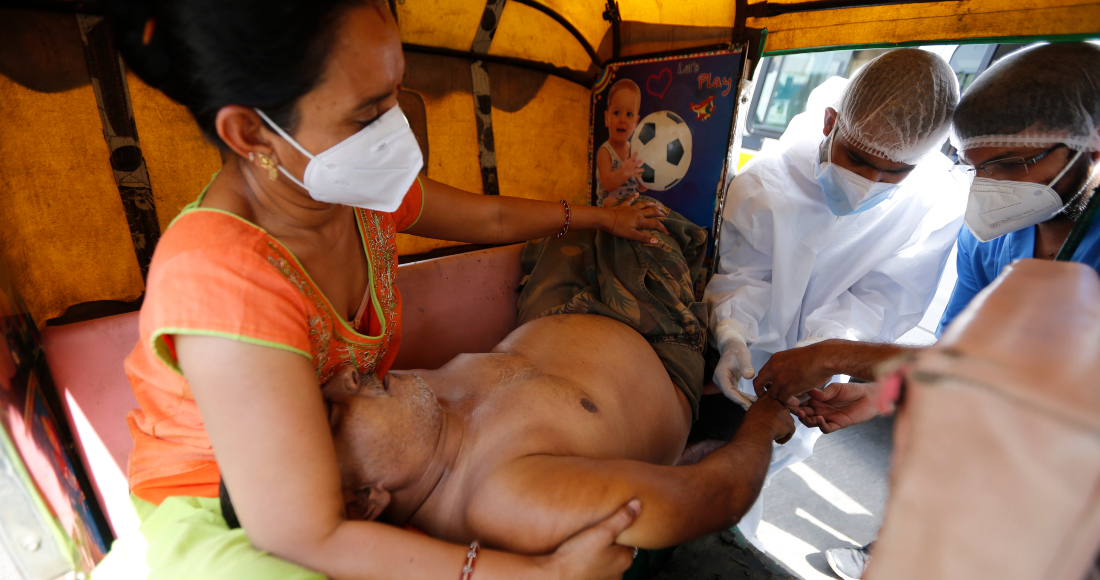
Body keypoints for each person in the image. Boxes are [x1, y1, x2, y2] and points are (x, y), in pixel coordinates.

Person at [95, 1, 672, 579]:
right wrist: (543, 576)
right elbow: (303, 532)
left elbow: (491, 219)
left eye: (396, 93)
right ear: (250, 132)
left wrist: (599, 219)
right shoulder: (219, 275)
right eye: (368, 112)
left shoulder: (357, 192)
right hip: (223, 511)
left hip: (341, 481)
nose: (396, 128)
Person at [754, 42, 1100, 580]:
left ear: (1090, 147)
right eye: (978, 167)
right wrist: (878, 393)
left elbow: (1043, 389)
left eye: (1011, 164)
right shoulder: (991, 242)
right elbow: (951, 359)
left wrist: (835, 354)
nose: (992, 189)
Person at [317, 203, 795, 555]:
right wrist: (763, 423)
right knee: (656, 225)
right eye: (334, 414)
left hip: (547, 312)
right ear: (366, 500)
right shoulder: (506, 496)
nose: (344, 380)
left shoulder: (407, 407)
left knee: (596, 218)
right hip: (655, 343)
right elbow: (715, 499)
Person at [703, 48, 967, 546]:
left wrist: (822, 355)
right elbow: (745, 274)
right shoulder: (768, 180)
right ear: (830, 122)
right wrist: (733, 332)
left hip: (816, 381)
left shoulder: (930, 210)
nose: (871, 184)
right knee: (711, 468)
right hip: (747, 363)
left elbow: (878, 303)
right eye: (859, 160)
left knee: (746, 482)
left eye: (894, 173)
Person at [596, 79, 648, 207]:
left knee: (647, 203)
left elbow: (642, 188)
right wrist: (626, 171)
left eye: (629, 114)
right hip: (608, 208)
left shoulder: (634, 151)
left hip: (630, 204)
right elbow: (607, 184)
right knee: (609, 202)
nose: (622, 120)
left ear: (636, 122)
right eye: (617, 113)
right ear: (607, 118)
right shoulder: (605, 152)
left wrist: (648, 173)